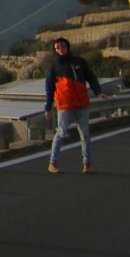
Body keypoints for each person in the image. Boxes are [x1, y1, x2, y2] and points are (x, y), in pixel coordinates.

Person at [42, 37, 105, 174]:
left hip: (81, 103)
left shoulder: (79, 62)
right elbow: (49, 89)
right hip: (64, 104)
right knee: (61, 132)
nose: (60, 48)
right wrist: (48, 107)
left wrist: (98, 91)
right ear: (55, 49)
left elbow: (91, 77)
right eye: (57, 47)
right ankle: (53, 162)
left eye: (62, 46)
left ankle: (87, 163)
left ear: (67, 47)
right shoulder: (53, 67)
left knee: (85, 134)